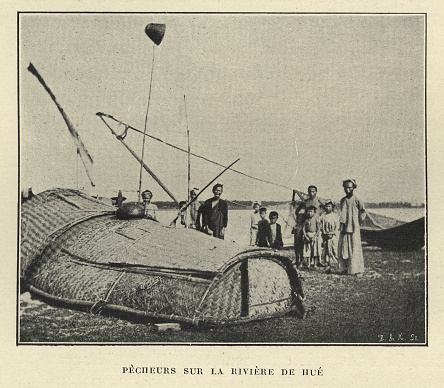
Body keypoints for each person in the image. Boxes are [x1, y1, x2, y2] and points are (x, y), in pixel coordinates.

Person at [337, 179, 366, 275]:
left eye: (350, 187)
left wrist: (359, 221)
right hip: (344, 227)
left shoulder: (357, 199)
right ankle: (344, 268)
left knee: (355, 247)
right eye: (346, 188)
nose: (347, 190)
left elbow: (362, 211)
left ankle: (356, 269)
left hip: (354, 227)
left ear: (353, 188)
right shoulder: (342, 200)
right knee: (343, 247)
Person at [320, 200, 340, 272]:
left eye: (329, 206)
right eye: (326, 206)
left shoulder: (335, 216)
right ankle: (328, 264)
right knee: (327, 249)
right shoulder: (323, 216)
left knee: (334, 249)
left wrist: (332, 233)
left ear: (332, 207)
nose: (328, 208)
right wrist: (325, 232)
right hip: (326, 235)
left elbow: (337, 226)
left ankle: (337, 263)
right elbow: (321, 226)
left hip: (334, 235)